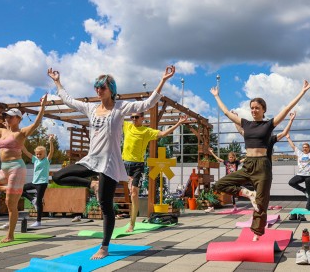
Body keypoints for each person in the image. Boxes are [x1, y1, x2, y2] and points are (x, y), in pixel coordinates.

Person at [48, 65, 175, 259]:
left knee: (105, 205)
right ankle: (93, 183)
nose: (98, 91)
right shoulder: (91, 108)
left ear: (112, 90)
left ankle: (104, 247)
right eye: (96, 87)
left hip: (109, 163)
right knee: (58, 176)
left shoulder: (120, 107)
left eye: (102, 88)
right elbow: (69, 101)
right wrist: (57, 81)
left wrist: (163, 80)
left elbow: (147, 104)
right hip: (91, 159)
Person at [210, 80, 310, 241]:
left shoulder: (268, 125)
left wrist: (303, 91)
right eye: (252, 108)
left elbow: (286, 109)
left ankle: (257, 234)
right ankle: (247, 193)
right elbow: (226, 114)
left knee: (262, 202)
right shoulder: (246, 124)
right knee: (219, 184)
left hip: (263, 166)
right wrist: (217, 96)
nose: (254, 110)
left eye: (257, 108)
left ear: (263, 110)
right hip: (248, 164)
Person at [0, 97, 47, 243]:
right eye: (6, 116)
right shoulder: (2, 132)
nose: (7, 118)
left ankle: (10, 235)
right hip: (4, 170)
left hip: (17, 168)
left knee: (11, 204)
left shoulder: (21, 133)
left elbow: (36, 123)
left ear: (18, 119)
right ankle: (5, 187)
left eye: (10, 116)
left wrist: (42, 107)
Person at [123, 113, 188, 232]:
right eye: (131, 117)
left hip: (137, 165)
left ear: (142, 118)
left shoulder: (146, 131)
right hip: (124, 164)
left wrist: (178, 123)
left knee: (134, 193)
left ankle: (132, 224)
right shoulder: (127, 125)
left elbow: (163, 134)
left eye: (136, 117)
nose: (133, 119)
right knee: (128, 192)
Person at [21, 134, 55, 228]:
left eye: (40, 154)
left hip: (42, 183)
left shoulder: (46, 161)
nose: (38, 155)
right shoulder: (35, 159)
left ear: (44, 154)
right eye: (37, 154)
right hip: (34, 182)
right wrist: (21, 140)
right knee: (20, 189)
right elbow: (25, 151)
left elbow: (51, 152)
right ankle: (32, 199)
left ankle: (38, 221)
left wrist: (51, 141)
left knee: (39, 201)